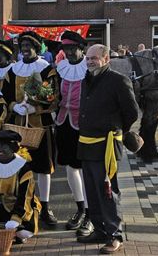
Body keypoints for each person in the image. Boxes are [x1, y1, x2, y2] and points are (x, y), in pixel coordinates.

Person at [76, 44, 139, 254]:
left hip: (106, 146)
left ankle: (114, 235)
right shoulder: (87, 79)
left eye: (94, 58)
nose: (90, 61)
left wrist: (116, 129)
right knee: (91, 191)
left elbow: (132, 112)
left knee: (107, 191)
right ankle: (100, 230)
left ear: (106, 59)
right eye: (88, 58)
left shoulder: (118, 80)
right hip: (86, 144)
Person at [0, 31, 58, 227]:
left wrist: (37, 107)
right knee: (20, 167)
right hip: (18, 125)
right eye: (22, 46)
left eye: (28, 46)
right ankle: (22, 205)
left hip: (40, 125)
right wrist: (13, 106)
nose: (25, 49)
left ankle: (46, 205)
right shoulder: (12, 71)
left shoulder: (46, 69)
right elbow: (4, 96)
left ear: (36, 48)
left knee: (43, 167)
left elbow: (53, 96)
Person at [54, 31, 93, 236]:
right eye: (65, 49)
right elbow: (53, 94)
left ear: (81, 49)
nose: (68, 52)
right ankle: (80, 208)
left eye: (72, 48)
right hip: (63, 122)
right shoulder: (60, 68)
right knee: (70, 166)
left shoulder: (91, 68)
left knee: (86, 167)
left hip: (85, 124)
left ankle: (91, 213)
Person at [0, 130, 41, 244]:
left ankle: (17, 234)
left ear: (12, 148)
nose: (0, 149)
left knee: (23, 232)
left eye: (4, 146)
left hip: (18, 207)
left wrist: (16, 218)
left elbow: (25, 197)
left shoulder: (23, 168)